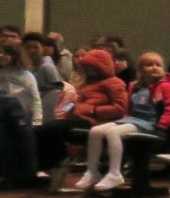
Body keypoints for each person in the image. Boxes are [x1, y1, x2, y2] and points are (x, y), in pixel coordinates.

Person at [83, 50, 170, 191]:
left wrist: (162, 127)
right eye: (149, 64)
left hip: (152, 124)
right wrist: (124, 120)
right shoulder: (134, 87)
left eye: (158, 65)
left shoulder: (167, 87)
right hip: (133, 120)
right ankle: (92, 172)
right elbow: (129, 110)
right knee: (96, 131)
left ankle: (115, 173)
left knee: (113, 133)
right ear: (141, 69)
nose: (154, 67)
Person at [36, 46, 129, 181]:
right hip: (79, 118)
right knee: (42, 129)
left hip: (95, 122)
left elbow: (121, 108)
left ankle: (57, 162)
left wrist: (92, 110)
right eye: (87, 67)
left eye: (92, 67)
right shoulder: (86, 84)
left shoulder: (114, 83)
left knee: (50, 129)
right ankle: (48, 164)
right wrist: (64, 110)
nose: (89, 70)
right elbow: (75, 103)